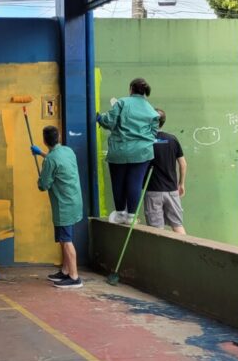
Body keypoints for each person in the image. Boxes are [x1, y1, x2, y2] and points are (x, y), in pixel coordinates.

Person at [97, 78, 159, 225]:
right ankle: (131, 216)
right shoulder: (151, 110)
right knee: (135, 182)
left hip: (119, 150)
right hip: (142, 152)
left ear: (131, 88)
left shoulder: (122, 103)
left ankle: (119, 214)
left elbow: (109, 122)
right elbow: (153, 133)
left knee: (118, 182)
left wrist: (100, 118)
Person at [31, 126, 84, 289]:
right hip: (74, 200)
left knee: (67, 241)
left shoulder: (50, 160)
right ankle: (66, 270)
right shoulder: (67, 151)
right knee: (63, 239)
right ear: (59, 137)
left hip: (64, 206)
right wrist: (41, 154)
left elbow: (44, 185)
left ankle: (75, 278)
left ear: (45, 140)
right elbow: (57, 162)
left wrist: (40, 179)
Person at [145, 109, 187, 234]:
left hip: (153, 191)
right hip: (172, 191)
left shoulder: (145, 140)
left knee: (156, 230)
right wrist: (181, 184)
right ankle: (185, 252)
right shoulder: (172, 139)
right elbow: (183, 164)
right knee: (177, 225)